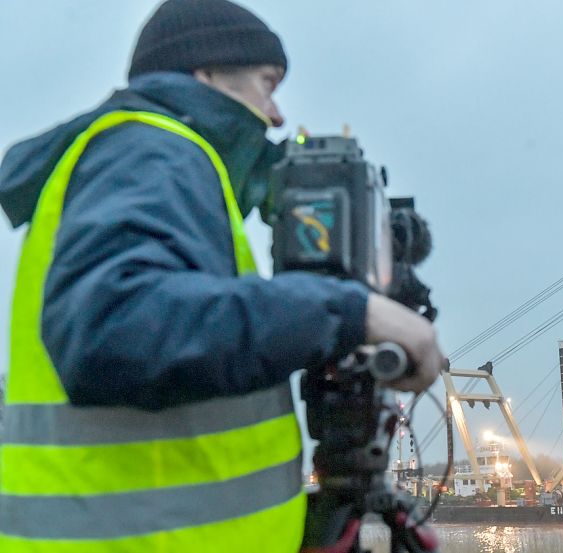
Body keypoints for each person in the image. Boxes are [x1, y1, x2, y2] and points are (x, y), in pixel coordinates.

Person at [0, 0, 443, 551]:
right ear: (205, 74)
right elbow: (114, 327)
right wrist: (348, 311)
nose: (277, 114)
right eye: (266, 83)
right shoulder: (149, 154)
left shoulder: (169, 167)